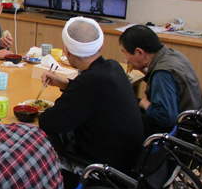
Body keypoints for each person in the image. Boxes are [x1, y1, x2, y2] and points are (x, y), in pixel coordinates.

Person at [38, 17, 143, 173]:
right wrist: (66, 84)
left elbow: (48, 122)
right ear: (99, 46)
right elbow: (94, 95)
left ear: (67, 51)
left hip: (104, 168)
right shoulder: (113, 67)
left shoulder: (88, 82)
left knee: (39, 150)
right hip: (129, 159)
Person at [119, 25, 202, 136]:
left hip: (180, 130)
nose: (126, 58)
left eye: (125, 53)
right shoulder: (173, 55)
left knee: (120, 114)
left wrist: (144, 103)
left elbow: (165, 118)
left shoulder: (162, 73)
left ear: (140, 53)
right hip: (196, 120)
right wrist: (144, 69)